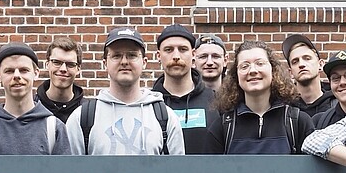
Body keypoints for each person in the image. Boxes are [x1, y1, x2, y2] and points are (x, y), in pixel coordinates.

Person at [66, 26, 185, 155]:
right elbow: (71, 172)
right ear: (105, 63)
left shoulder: (165, 117)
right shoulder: (82, 118)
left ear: (144, 62)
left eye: (132, 55)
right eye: (116, 56)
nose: (124, 61)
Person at [208, 40, 314, 154]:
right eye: (244, 66)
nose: (252, 70)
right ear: (236, 76)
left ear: (273, 71)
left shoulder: (298, 122)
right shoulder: (222, 127)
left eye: (260, 63)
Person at [0, 45, 71, 155]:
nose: (17, 76)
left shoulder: (55, 128)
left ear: (36, 73)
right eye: (9, 71)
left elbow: (64, 172)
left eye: (24, 70)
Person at [152, 24, 219, 154]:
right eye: (168, 50)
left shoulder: (216, 101)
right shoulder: (150, 104)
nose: (176, 56)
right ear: (158, 56)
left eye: (183, 49)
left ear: (193, 54)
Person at [283, 33, 335, 117]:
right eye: (295, 61)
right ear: (291, 72)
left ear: (320, 65)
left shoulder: (337, 104)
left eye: (307, 58)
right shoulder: (283, 109)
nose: (301, 64)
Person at [36, 37, 85, 122]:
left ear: (78, 69)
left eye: (70, 64)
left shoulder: (87, 112)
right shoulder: (33, 107)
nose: (63, 69)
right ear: (47, 64)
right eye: (56, 62)